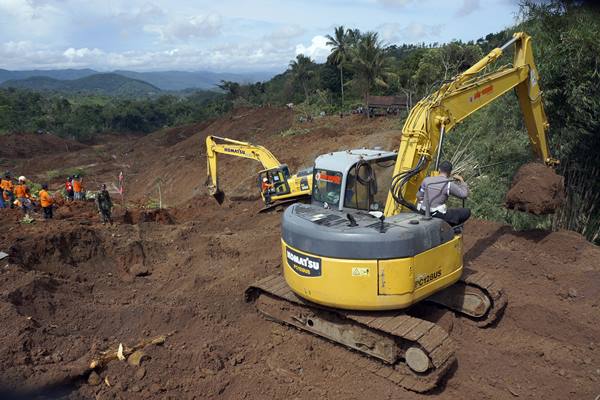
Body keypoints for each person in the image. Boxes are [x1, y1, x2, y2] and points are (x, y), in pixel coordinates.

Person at [416, 161, 471, 227]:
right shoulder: (448, 184)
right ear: (450, 172)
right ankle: (451, 229)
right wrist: (461, 180)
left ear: (439, 169)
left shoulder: (426, 180)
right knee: (466, 211)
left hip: (423, 211)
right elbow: (464, 195)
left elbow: (419, 196)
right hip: (438, 215)